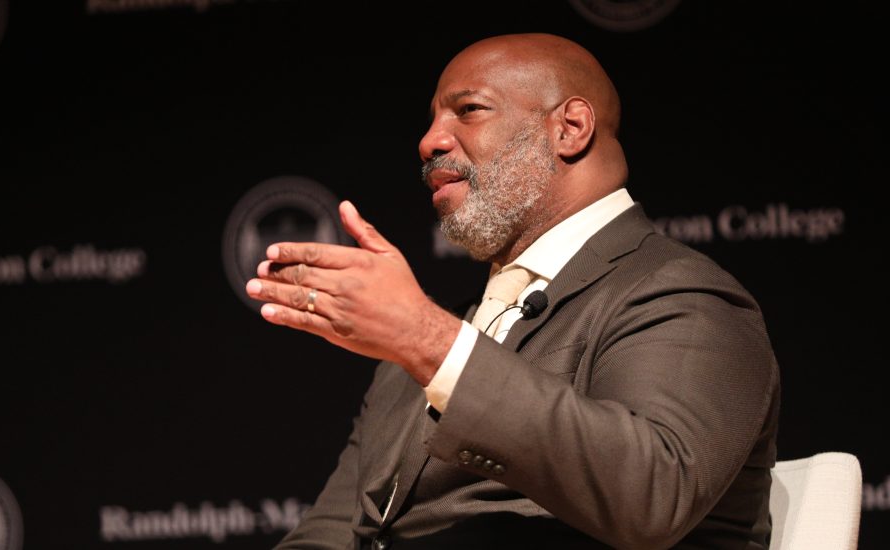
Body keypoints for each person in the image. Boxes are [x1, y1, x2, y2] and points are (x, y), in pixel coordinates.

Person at [246, 32, 780, 549]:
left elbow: (653, 493)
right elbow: (333, 530)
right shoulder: (422, 346)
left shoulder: (681, 294)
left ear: (570, 128)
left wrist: (428, 340)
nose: (430, 140)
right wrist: (422, 340)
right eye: (432, 117)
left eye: (469, 109)